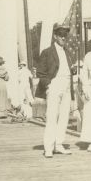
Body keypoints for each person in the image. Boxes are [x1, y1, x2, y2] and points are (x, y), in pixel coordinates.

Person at [35, 23, 74, 158]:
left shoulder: (67, 52)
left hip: (67, 86)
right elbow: (40, 72)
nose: (63, 37)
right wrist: (49, 85)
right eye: (61, 35)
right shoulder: (47, 52)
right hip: (54, 85)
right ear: (55, 36)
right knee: (52, 116)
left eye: (65, 35)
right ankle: (48, 147)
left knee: (64, 117)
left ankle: (59, 145)